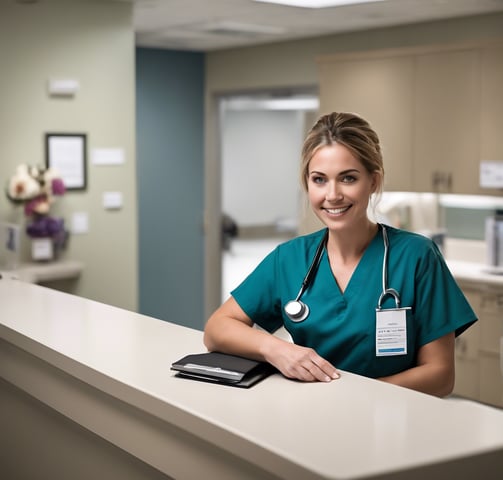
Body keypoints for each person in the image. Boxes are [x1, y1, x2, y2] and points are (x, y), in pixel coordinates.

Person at [204, 111, 477, 397]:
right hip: (311, 418)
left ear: (373, 181)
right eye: (319, 180)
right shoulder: (290, 258)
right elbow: (217, 329)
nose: (332, 195)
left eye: (348, 178)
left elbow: (440, 375)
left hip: (390, 421)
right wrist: (277, 349)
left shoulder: (417, 256)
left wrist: (353, 396)